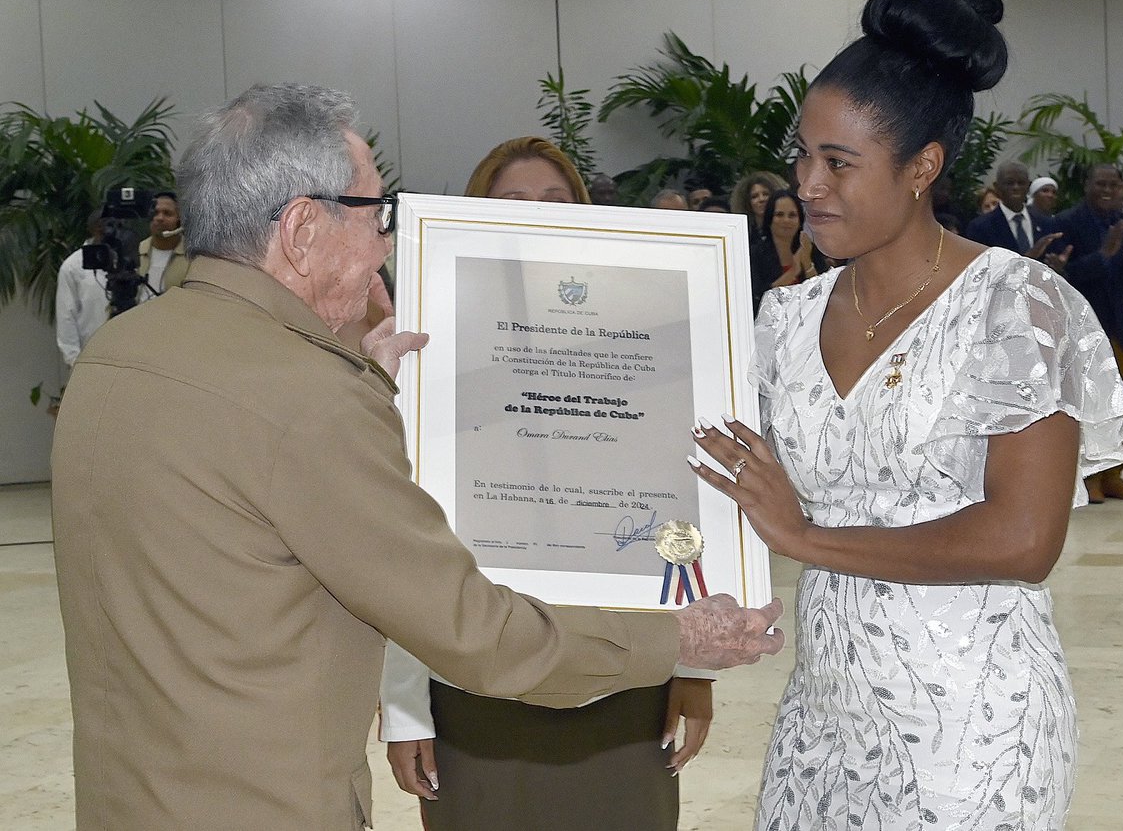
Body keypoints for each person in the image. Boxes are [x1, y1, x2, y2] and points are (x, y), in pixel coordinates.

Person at [51, 86, 784, 830]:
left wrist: (365, 389)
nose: (385, 245)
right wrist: (682, 637)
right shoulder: (307, 399)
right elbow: (480, 638)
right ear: (304, 228)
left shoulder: (119, 355)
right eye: (376, 216)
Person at [685, 0, 1123, 829]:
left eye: (839, 163)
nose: (808, 185)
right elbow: (726, 486)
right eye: (803, 155)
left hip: (976, 726)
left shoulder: (1015, 305)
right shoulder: (786, 317)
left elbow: (1024, 539)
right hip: (823, 716)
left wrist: (805, 536)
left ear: (922, 165)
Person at [381, 135, 719, 831]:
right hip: (476, 678)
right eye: (512, 203)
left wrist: (694, 664)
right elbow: (402, 543)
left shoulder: (645, 334)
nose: (536, 216)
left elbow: (678, 503)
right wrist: (405, 706)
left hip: (623, 675)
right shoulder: (427, 351)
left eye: (555, 201)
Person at [1052, 163, 1123, 501]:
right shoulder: (1066, 223)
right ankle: (1089, 478)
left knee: (1117, 407)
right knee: (1086, 408)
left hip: (1120, 328)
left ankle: (1113, 476)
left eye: (1114, 184)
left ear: (1122, 188)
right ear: (1087, 186)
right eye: (1101, 183)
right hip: (1082, 330)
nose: (1107, 189)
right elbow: (1064, 277)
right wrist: (1104, 256)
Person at [964, 161, 1060, 257]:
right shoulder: (980, 227)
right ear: (997, 187)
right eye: (1009, 183)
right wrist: (1027, 259)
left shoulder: (1046, 223)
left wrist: (1058, 266)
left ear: (1028, 186)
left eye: (1021, 183)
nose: (1016, 187)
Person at [54, 209, 110, 368]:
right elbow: (66, 316)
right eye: (104, 225)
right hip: (89, 360)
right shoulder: (72, 266)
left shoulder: (130, 259)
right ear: (94, 229)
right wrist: (75, 361)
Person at [136, 190, 189, 299]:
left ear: (179, 218)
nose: (160, 218)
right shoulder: (136, 250)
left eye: (167, 213)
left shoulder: (192, 256)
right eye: (155, 213)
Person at [731, 170, 789, 244]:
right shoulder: (743, 235)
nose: (761, 199)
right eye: (754, 196)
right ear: (747, 203)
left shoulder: (789, 228)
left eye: (765, 194)